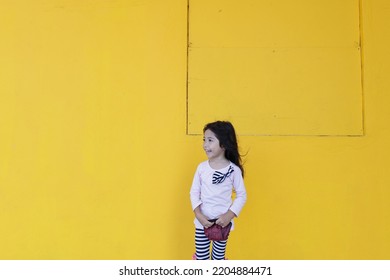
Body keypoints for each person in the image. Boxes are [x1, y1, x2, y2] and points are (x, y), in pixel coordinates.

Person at [190, 120, 247, 260]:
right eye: (204, 140)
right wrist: (198, 215)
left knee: (218, 259)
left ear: (223, 144)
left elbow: (242, 195)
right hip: (202, 222)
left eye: (210, 140)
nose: (205, 145)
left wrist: (229, 216)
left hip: (223, 225)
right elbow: (194, 192)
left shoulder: (233, 170)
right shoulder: (202, 168)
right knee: (202, 258)